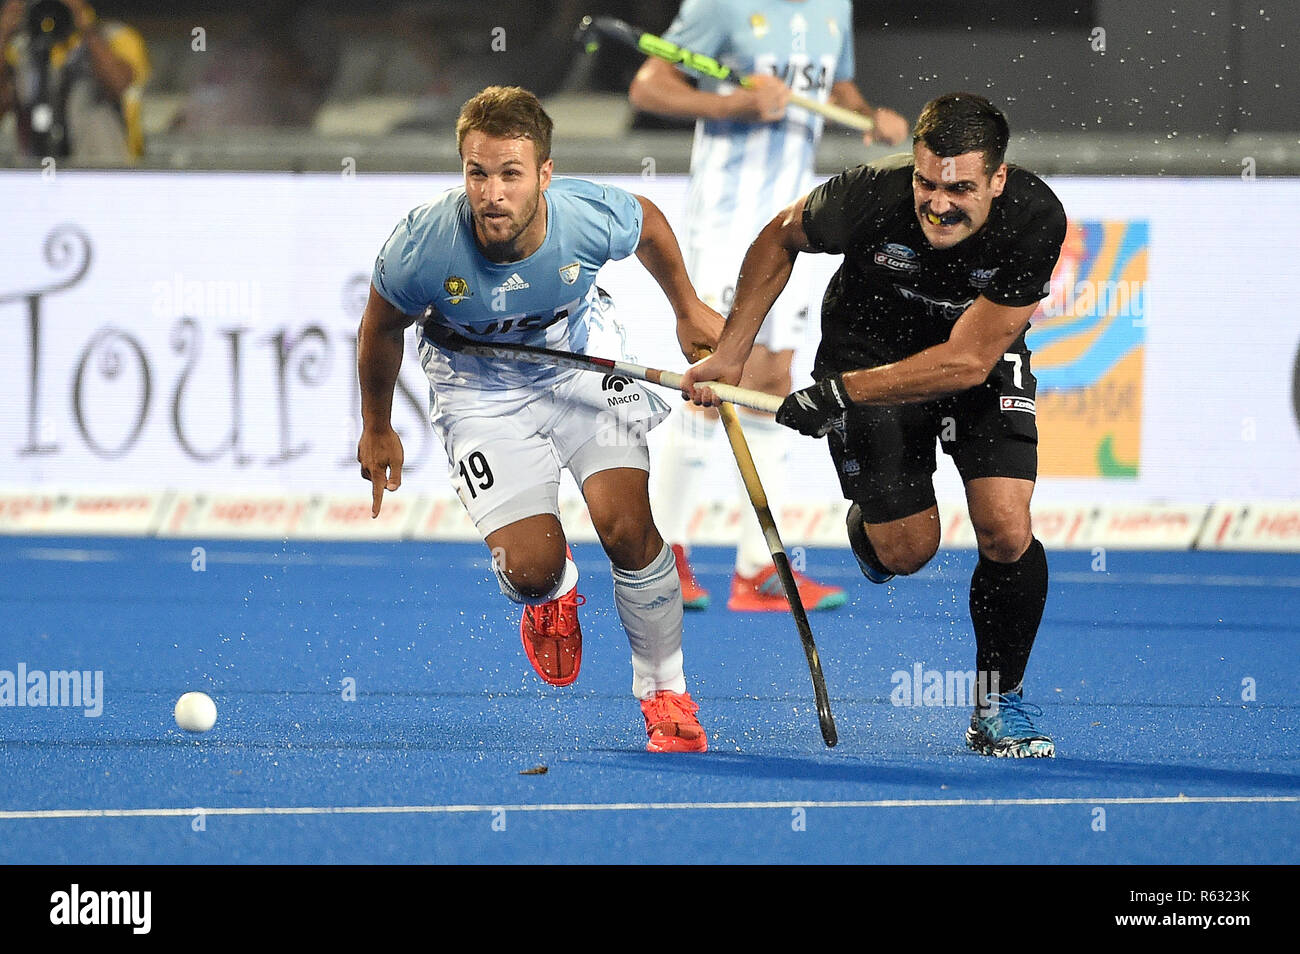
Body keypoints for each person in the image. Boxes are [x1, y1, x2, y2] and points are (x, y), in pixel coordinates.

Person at [682, 93, 1067, 757]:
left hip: (974, 358)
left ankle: (999, 702)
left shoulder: (1035, 219)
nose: (938, 204)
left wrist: (836, 395)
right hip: (868, 348)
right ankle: (877, 526)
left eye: (961, 188)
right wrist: (734, 353)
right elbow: (781, 235)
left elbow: (967, 361)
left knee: (1006, 528)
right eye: (926, 182)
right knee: (906, 553)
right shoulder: (868, 196)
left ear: (998, 180)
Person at [357, 86, 724, 753]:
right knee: (528, 571)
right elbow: (381, 326)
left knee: (628, 527)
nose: (491, 193)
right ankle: (554, 591)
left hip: (580, 365)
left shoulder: (584, 216)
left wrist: (687, 307)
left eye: (510, 174)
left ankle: (665, 692)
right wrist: (378, 427)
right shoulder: (424, 245)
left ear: (544, 175)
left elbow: (648, 224)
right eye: (477, 172)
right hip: (479, 393)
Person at [628, 0, 909, 612]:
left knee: (774, 375)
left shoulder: (835, 6)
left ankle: (757, 570)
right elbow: (649, 86)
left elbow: (835, 83)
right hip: (728, 220)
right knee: (718, 374)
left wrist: (864, 114)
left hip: (793, 224)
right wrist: (731, 104)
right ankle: (664, 556)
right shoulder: (719, 5)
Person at [0, 0, 149, 164]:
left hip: (104, 171)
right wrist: (3, 34)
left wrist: (85, 26)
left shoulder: (114, 36)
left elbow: (118, 85)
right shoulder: (22, 45)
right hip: (37, 174)